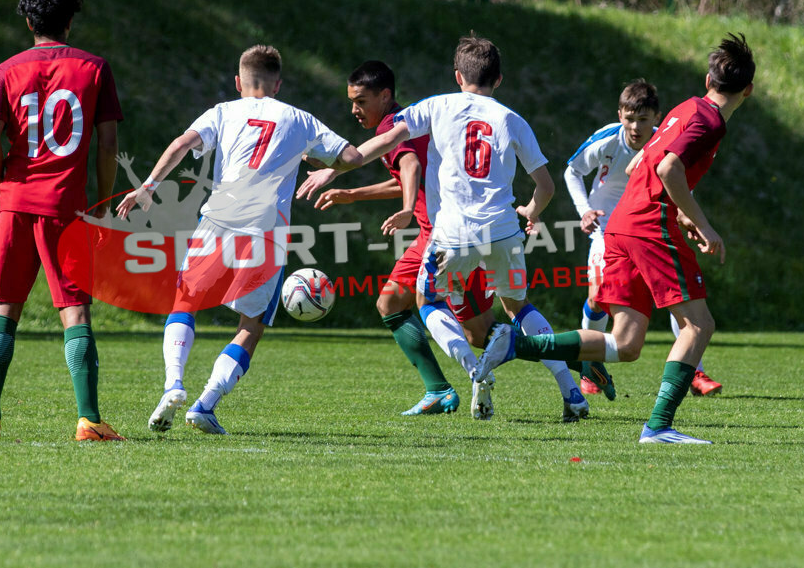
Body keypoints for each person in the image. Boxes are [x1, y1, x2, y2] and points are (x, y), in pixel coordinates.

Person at [474, 34, 755, 444]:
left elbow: (646, 160)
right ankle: (658, 427)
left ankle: (517, 345)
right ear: (748, 89)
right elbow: (669, 169)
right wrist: (703, 223)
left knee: (625, 344)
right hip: (648, 226)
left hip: (621, 224)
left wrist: (682, 212)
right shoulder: (710, 121)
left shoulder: (685, 109)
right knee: (699, 324)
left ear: (707, 78)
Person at [299, 35, 589, 423]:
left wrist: (336, 166)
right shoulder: (513, 119)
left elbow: (383, 144)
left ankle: (474, 371)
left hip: (452, 236)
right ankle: (573, 394)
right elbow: (547, 186)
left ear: (457, 75)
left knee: (428, 302)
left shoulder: (436, 106)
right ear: (498, 79)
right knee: (518, 307)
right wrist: (532, 211)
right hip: (504, 232)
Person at [117, 45, 361, 435]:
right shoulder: (299, 119)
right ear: (278, 84)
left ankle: (173, 384)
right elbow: (350, 155)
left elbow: (182, 143)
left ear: (238, 81)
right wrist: (324, 166)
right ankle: (205, 404)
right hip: (266, 231)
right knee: (251, 325)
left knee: (185, 300)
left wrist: (148, 187)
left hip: (219, 217)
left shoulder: (223, 111)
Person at [0, 0, 125, 441]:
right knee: (75, 311)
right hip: (66, 206)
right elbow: (108, 145)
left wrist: (1, 182)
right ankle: (89, 421)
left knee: (5, 308)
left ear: (27, 20)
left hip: (16, 202)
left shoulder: (7, 69)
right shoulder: (95, 68)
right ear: (70, 20)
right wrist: (102, 202)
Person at [311, 60, 498, 418]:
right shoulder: (409, 121)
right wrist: (353, 194)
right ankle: (439, 389)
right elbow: (404, 176)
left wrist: (409, 209)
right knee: (402, 307)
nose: (354, 109)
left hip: (442, 234)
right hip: (444, 230)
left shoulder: (392, 125)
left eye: (361, 100)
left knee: (477, 331)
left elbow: (410, 166)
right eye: (352, 101)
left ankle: (565, 354)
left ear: (384, 96)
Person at [566, 80, 723, 399]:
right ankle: (590, 370)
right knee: (597, 298)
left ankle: (695, 370)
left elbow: (679, 181)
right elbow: (572, 170)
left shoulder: (663, 140)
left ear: (657, 119)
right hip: (607, 228)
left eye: (643, 119)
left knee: (675, 296)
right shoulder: (608, 138)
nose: (635, 127)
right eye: (629, 118)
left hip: (651, 225)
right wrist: (584, 210)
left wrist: (686, 216)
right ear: (619, 115)